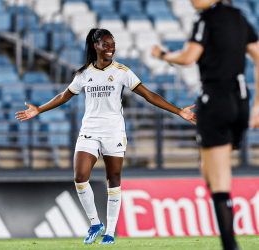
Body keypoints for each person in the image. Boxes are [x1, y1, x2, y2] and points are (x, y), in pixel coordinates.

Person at [16, 28, 196, 244]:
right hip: (90, 130)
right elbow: (64, 95)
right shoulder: (83, 74)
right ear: (96, 46)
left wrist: (178, 111)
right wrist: (39, 109)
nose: (111, 49)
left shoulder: (122, 71)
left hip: (114, 130)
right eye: (106, 45)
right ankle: (95, 223)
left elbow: (148, 95)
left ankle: (110, 232)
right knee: (80, 177)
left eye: (113, 45)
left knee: (114, 179)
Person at [152, 1, 259, 249]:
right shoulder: (240, 17)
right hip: (240, 101)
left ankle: (230, 244)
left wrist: (162, 55)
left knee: (216, 177)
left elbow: (189, 57)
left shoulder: (206, 18)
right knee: (213, 170)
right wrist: (257, 105)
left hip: (216, 99)